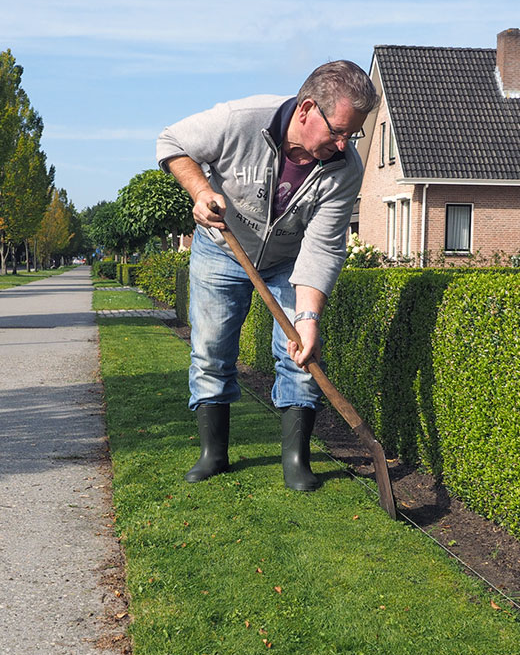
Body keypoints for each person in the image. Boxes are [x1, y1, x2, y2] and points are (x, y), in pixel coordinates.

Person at [156, 60, 377, 491]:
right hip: (222, 250)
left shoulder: (345, 168)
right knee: (210, 349)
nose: (345, 142)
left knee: (300, 354)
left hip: (289, 259)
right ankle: (213, 454)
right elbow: (171, 141)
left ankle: (296, 461)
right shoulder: (241, 121)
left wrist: (308, 319)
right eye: (338, 131)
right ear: (307, 109)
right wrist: (201, 192)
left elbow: (323, 246)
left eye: (353, 133)